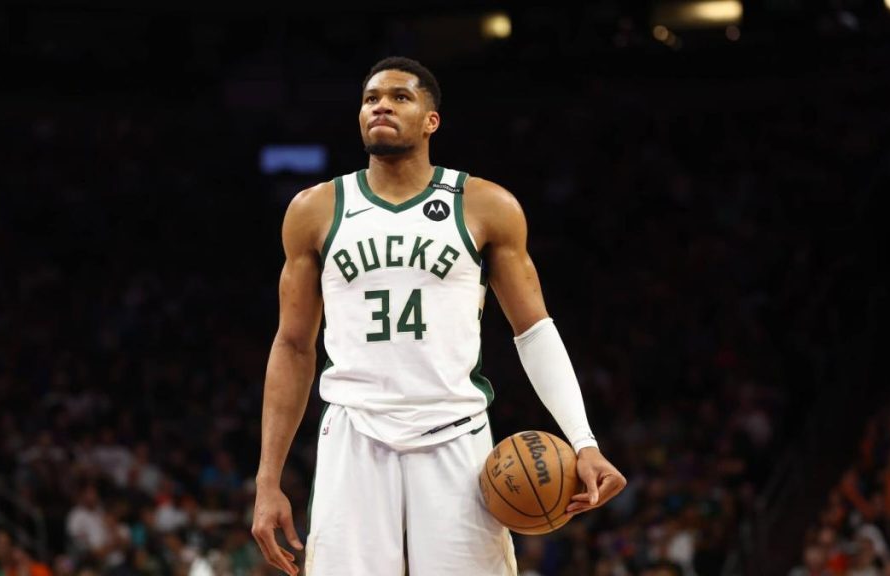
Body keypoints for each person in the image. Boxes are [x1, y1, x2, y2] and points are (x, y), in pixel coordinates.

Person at [252, 56, 626, 576]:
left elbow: (535, 331)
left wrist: (583, 441)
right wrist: (267, 480)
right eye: (371, 98)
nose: (381, 106)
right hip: (354, 433)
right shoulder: (315, 209)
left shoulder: (486, 205)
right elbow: (293, 346)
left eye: (399, 97)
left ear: (432, 120)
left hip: (455, 433)